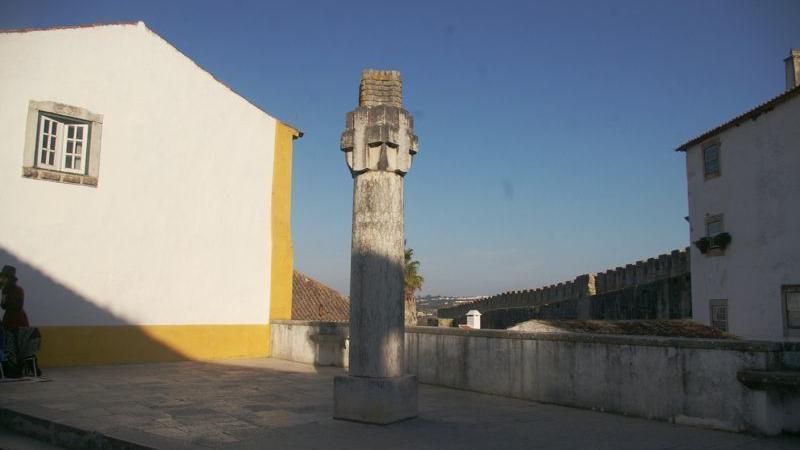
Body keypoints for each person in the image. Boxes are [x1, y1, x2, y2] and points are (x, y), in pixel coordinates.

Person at [1, 265, 29, 330]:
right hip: (8, 320)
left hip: (18, 321)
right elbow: (3, 306)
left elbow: (18, 305)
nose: (2, 280)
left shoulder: (18, 290)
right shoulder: (4, 290)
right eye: (2, 277)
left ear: (10, 279)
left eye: (5, 278)